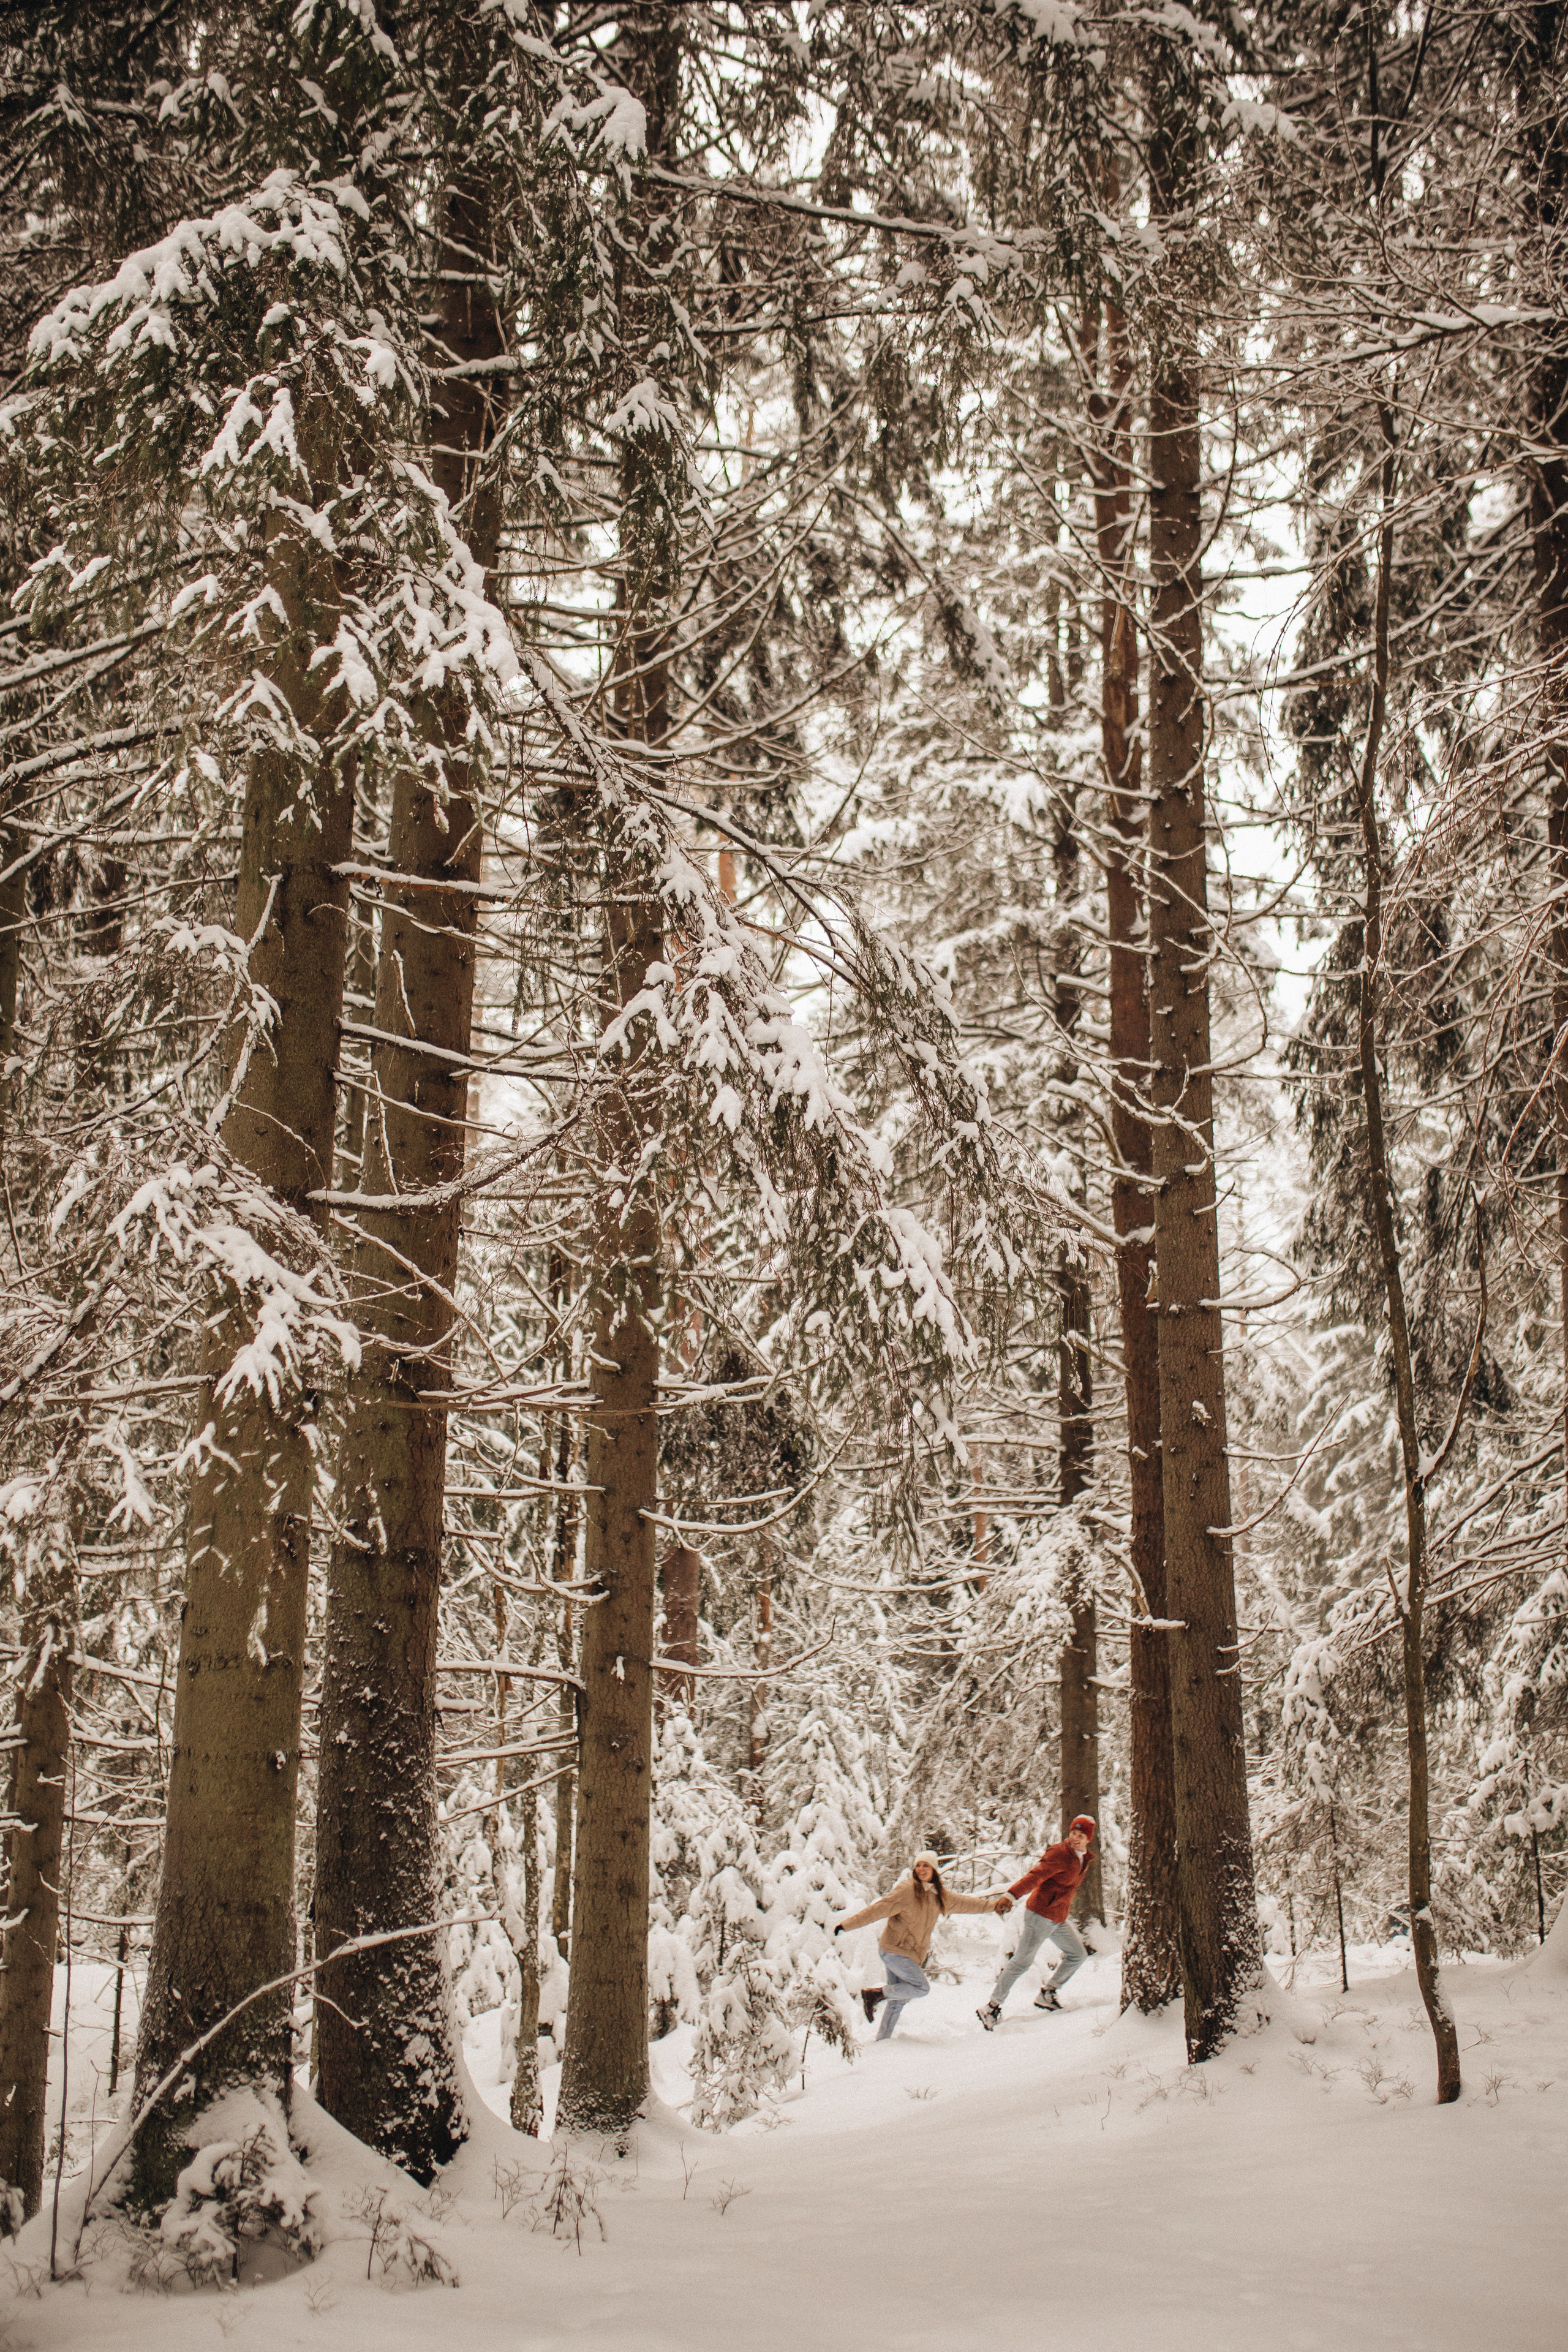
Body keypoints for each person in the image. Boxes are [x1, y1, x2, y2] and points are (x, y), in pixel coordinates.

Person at [835, 1852, 1013, 2040]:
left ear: (934, 1869)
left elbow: (965, 1903)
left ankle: (882, 2040)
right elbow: (877, 1910)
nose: (921, 1870)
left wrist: (994, 1906)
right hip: (893, 1950)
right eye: (918, 1866)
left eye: (925, 1866)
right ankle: (875, 1994)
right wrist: (847, 1925)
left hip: (909, 1954)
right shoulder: (906, 1891)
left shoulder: (940, 1896)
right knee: (921, 1988)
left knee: (899, 2000)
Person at [976, 1816, 1096, 2028]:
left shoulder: (1083, 1858)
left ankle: (1047, 1994)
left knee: (1078, 1955)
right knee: (1021, 1962)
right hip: (1040, 1915)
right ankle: (991, 2008)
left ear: (1089, 1839)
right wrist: (1011, 1895)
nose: (1076, 1839)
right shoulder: (1060, 1854)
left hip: (1057, 1918)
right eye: (1073, 1834)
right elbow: (1036, 1876)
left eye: (1081, 1835)